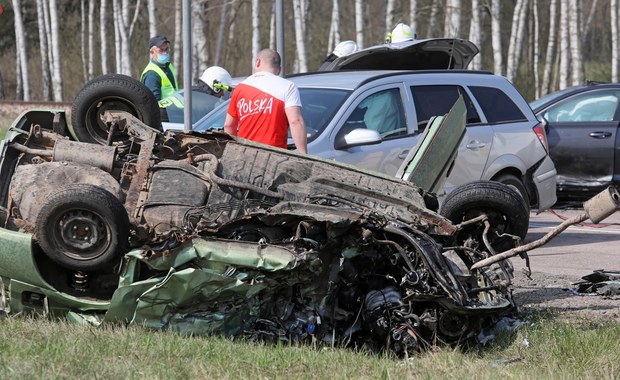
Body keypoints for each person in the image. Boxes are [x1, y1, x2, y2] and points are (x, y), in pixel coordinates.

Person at [224, 49, 307, 153]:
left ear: (257, 62)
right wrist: (304, 154)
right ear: (279, 70)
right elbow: (295, 121)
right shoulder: (288, 86)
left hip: (245, 152)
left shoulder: (240, 88)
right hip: (275, 154)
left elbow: (228, 125)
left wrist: (234, 150)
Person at [158, 66, 233, 123]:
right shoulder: (206, 102)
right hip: (163, 123)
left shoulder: (193, 91)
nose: (223, 94)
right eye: (222, 90)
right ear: (217, 88)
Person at [140, 35, 178, 101]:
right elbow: (154, 103)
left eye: (166, 49)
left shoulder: (168, 65)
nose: (165, 53)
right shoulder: (151, 74)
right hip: (164, 111)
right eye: (161, 50)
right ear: (152, 52)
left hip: (173, 110)